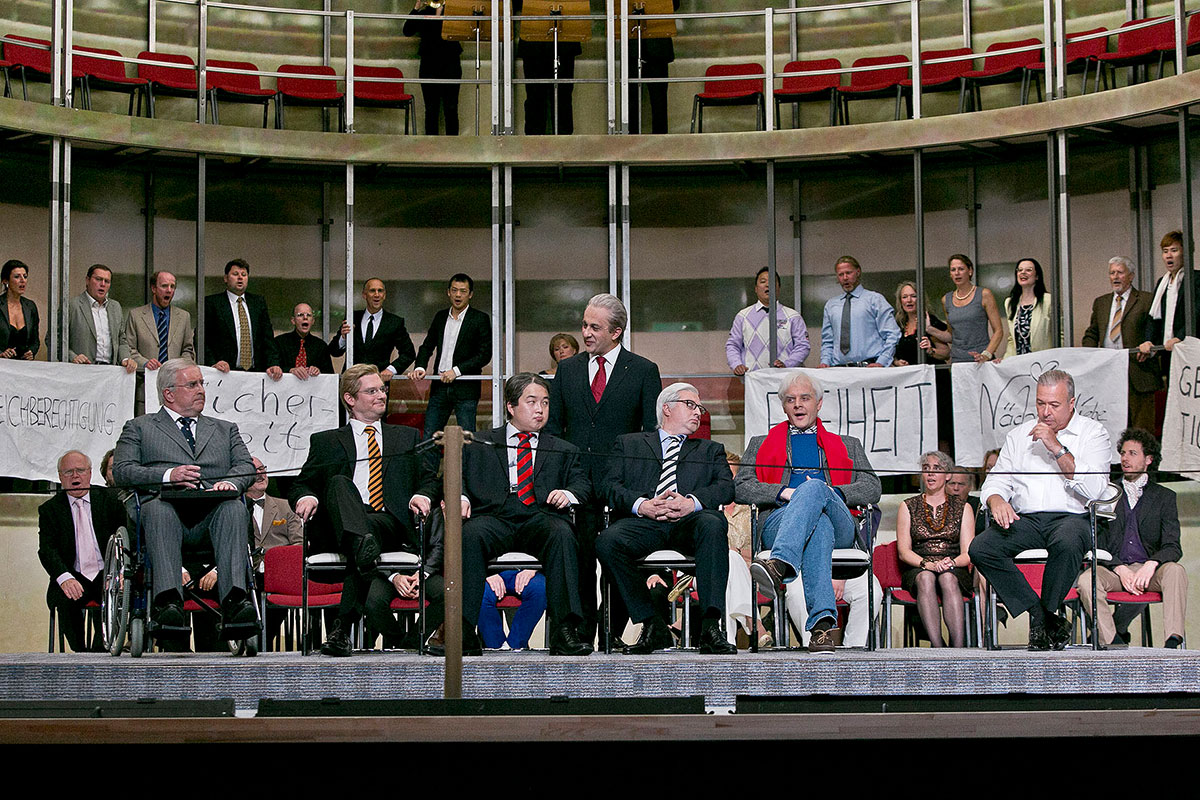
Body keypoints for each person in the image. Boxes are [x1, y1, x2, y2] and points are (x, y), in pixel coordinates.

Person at [289, 364, 441, 657]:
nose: (381, 395)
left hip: (389, 524)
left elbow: (430, 481)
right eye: (371, 391)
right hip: (339, 525)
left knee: (362, 537)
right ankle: (361, 548)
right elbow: (300, 485)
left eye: (382, 390)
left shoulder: (406, 437)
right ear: (350, 398)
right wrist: (305, 497)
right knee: (338, 484)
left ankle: (341, 629)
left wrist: (422, 495)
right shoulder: (326, 441)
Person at [112, 358, 259, 640]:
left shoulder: (225, 429)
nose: (201, 389)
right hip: (164, 515)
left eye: (202, 383)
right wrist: (169, 475)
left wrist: (230, 482)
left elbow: (246, 467)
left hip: (212, 516)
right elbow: (122, 471)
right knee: (159, 509)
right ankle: (168, 602)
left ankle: (235, 602)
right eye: (192, 384)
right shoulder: (140, 427)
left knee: (233, 508)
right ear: (169, 393)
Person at [735, 371, 882, 652]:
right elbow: (741, 487)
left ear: (819, 403)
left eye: (805, 398)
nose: (798, 404)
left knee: (815, 490)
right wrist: (784, 492)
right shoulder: (760, 443)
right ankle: (823, 627)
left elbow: (872, 487)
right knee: (818, 527)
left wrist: (828, 494)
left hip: (839, 519)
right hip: (782, 519)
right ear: (783, 406)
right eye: (791, 400)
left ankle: (780, 564)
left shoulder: (848, 444)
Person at [545, 293, 661, 647]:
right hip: (576, 486)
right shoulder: (567, 370)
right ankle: (580, 634)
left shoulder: (643, 370)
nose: (586, 333)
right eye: (584, 324)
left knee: (614, 560)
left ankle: (613, 633)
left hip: (621, 487)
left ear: (617, 331)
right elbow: (554, 432)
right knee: (577, 562)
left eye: (594, 326)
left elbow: (650, 436)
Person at [968, 369, 1112, 650]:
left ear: (1072, 403)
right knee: (981, 548)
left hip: (1073, 517)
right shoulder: (1018, 435)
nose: (1045, 412)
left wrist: (1056, 446)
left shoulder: (1093, 433)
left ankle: (1042, 623)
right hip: (1027, 519)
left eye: (1054, 405)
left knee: (1067, 541)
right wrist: (996, 499)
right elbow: (996, 480)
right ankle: (1042, 617)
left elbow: (1095, 489)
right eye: (1040, 403)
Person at [458, 372, 593, 656]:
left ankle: (564, 631)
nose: (540, 409)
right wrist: (460, 497)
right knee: (469, 534)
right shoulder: (479, 443)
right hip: (494, 517)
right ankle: (462, 630)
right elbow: (457, 479)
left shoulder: (563, 449)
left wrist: (567, 494)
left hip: (538, 516)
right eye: (531, 402)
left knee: (562, 534)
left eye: (545, 403)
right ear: (511, 405)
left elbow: (583, 485)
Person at [597, 382, 738, 655]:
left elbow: (726, 487)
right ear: (666, 408)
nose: (698, 412)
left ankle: (711, 626)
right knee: (608, 540)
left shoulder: (710, 450)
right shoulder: (629, 443)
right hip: (645, 522)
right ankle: (652, 624)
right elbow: (608, 487)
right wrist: (643, 505)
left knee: (713, 523)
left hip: (688, 523)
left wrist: (691, 503)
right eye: (691, 405)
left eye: (700, 407)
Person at [1077, 428, 1187, 648]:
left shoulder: (1164, 497)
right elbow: (1095, 539)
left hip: (1150, 572)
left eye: (1132, 453)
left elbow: (1173, 546)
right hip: (1116, 570)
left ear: (1148, 459)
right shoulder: (1106, 492)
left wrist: (1151, 565)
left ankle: (1173, 642)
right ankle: (1113, 641)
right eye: (1123, 453)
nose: (1125, 459)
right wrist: (1119, 568)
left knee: (1176, 570)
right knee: (1086, 581)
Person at [38, 450, 126, 652]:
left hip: (107, 572)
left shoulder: (111, 500)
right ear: (60, 477)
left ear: (90, 472)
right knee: (65, 597)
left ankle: (102, 649)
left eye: (80, 470)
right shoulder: (50, 509)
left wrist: (121, 572)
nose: (75, 476)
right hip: (73, 574)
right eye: (68, 472)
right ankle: (80, 653)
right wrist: (63, 577)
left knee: (118, 595)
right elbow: (47, 550)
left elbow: (126, 538)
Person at [896, 451, 975, 647]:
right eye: (926, 469)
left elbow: (968, 553)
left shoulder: (963, 507)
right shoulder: (907, 506)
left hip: (954, 565)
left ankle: (957, 648)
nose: (930, 474)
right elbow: (903, 552)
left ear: (948, 475)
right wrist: (927, 564)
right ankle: (937, 647)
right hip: (918, 565)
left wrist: (951, 563)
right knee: (925, 578)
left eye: (936, 469)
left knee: (948, 577)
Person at [407, 273, 492, 438]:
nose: (458, 295)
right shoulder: (440, 316)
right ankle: (429, 466)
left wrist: (456, 371)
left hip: (466, 388)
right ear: (448, 292)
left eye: (463, 291)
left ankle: (468, 466)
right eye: (454, 290)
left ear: (470, 294)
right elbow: (427, 346)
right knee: (430, 438)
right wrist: (420, 366)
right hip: (439, 387)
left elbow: (484, 354)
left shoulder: (480, 319)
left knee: (468, 439)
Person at [1082, 256, 1157, 433]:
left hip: (1138, 372)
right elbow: (1092, 333)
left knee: (1141, 429)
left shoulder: (1147, 300)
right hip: (1109, 374)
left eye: (1120, 272)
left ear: (1131, 276)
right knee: (1112, 428)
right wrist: (1088, 354)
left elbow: (1154, 331)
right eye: (1112, 273)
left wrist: (1149, 346)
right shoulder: (1101, 302)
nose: (1115, 277)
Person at [203, 258, 282, 379]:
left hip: (256, 373)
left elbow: (267, 338)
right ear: (225, 278)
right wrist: (213, 363)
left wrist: (273, 364)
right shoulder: (212, 303)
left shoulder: (258, 303)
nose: (240, 277)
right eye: (235, 274)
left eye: (244, 275)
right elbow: (202, 339)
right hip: (224, 373)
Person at [1139, 231, 1200, 386]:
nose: (1168, 256)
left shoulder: (1196, 279)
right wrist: (1148, 340)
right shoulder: (1162, 283)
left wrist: (1180, 337)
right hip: (1168, 354)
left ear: (1185, 253)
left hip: (1190, 353)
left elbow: (1197, 314)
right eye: (1165, 251)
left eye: (1174, 250)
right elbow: (1154, 317)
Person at [726, 266, 810, 374]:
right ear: (756, 289)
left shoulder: (793, 316)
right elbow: (733, 345)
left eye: (772, 281)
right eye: (762, 281)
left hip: (786, 380)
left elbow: (803, 346)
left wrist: (787, 364)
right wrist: (736, 364)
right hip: (753, 380)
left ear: (779, 288)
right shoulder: (742, 316)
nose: (767, 285)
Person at [819, 256, 900, 367]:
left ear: (858, 272)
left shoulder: (875, 300)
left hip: (870, 368)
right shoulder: (831, 305)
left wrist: (882, 362)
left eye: (848, 273)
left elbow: (892, 334)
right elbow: (828, 340)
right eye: (841, 275)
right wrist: (825, 362)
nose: (845, 278)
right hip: (839, 370)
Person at [514, 0, 581, 135]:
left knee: (563, 98)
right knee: (535, 98)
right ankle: (535, 147)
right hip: (534, 38)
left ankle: (563, 148)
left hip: (564, 38)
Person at [329, 278, 416, 380]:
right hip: (352, 381)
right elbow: (334, 351)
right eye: (372, 291)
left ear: (384, 295)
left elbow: (409, 353)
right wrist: (343, 337)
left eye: (380, 291)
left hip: (378, 382)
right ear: (364, 295)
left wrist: (391, 370)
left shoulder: (394, 322)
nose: (376, 295)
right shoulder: (352, 317)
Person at [403, 0, 463, 136]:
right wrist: (417, 7)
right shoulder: (424, 14)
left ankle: (454, 146)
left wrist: (441, 13)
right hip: (429, 63)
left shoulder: (452, 15)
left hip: (450, 62)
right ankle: (431, 146)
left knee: (451, 108)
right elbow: (407, 31)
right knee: (431, 109)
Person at [60, 264, 135, 372]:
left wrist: (126, 358)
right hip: (81, 371)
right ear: (87, 280)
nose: (103, 284)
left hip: (110, 371)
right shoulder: (72, 306)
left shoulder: (115, 307)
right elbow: (54, 340)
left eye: (107, 281)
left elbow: (121, 339)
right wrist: (72, 357)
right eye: (98, 279)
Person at [122, 271, 196, 371]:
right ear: (154, 289)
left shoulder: (184, 316)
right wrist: (145, 363)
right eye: (164, 286)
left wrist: (178, 366)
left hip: (174, 379)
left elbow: (188, 350)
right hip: (144, 378)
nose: (169, 290)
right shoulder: (136, 316)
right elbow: (129, 349)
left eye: (172, 286)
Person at [626, 0, 680, 134]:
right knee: (631, 100)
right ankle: (631, 140)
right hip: (632, 43)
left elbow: (674, 4)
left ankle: (661, 141)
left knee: (659, 101)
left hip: (658, 44)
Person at [942, 253, 1006, 363]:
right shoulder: (946, 300)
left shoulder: (984, 294)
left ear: (970, 271)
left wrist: (986, 354)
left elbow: (999, 331)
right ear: (950, 274)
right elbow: (951, 334)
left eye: (961, 269)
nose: (957, 273)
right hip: (958, 361)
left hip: (982, 358)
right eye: (953, 270)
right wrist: (929, 329)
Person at [478, 569, 547, 650]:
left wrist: (534, 568)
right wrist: (487, 572)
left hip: (533, 570)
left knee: (540, 590)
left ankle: (514, 646)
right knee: (479, 593)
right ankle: (496, 648)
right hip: (492, 571)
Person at [892, 281, 950, 365]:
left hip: (932, 374)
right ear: (900, 301)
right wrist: (896, 362)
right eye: (904, 297)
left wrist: (931, 350)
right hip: (910, 375)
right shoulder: (899, 324)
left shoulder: (929, 321)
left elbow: (946, 354)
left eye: (913, 296)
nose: (909, 300)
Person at [1003, 257, 1053, 356]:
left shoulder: (1048, 300)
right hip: (1019, 362)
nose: (1023, 273)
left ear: (1037, 276)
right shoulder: (1009, 302)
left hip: (1044, 360)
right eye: (1020, 270)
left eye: (1028, 270)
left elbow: (1061, 334)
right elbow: (1012, 339)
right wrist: (1005, 360)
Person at [275, 302, 334, 380]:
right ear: (293, 320)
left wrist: (319, 371)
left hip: (312, 390)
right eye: (300, 315)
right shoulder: (279, 342)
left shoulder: (321, 346)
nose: (305, 318)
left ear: (313, 321)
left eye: (308, 315)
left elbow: (330, 376)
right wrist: (290, 370)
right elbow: (271, 368)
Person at [1, 259, 39, 360]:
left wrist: (32, 351)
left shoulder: (30, 306)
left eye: (25, 276)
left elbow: (35, 340)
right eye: (17, 277)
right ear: (6, 281)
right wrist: (1, 353)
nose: (22, 280)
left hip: (23, 366)